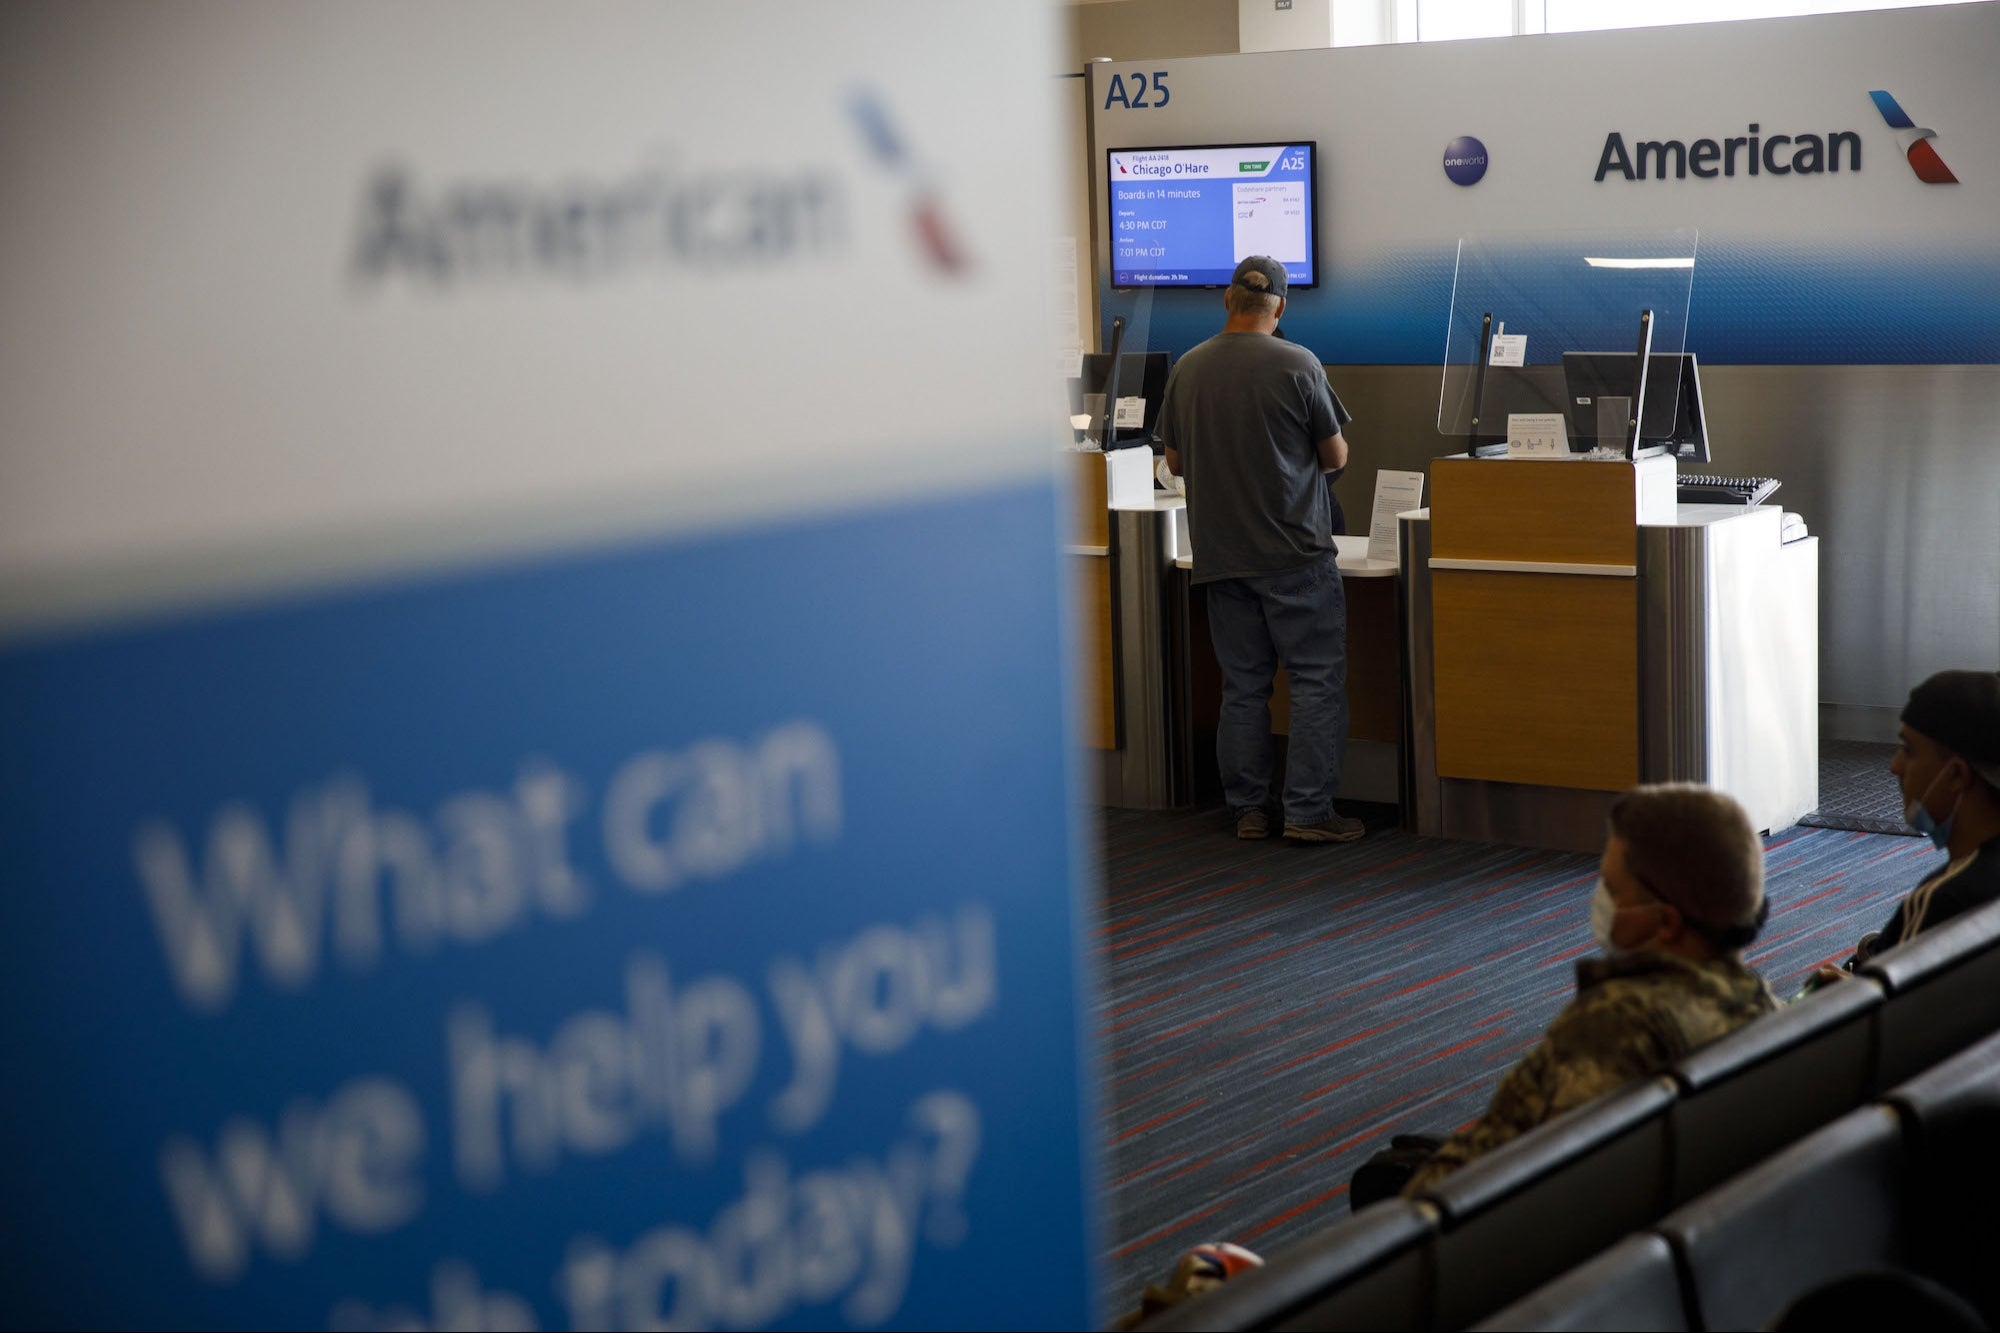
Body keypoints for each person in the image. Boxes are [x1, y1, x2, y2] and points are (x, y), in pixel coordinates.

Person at [1349, 784, 1777, 1203]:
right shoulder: (1757, 1005)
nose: (1601, 901)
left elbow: (1550, 1191)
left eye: (1611, 889)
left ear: (1665, 922)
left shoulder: (1617, 1027)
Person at [1157, 256, 1360, 844]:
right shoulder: (1299, 364)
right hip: (1295, 553)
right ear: (1281, 307)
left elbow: (1173, 463)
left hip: (1221, 555)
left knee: (1243, 686)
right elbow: (1337, 457)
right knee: (1314, 681)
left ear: (1227, 300)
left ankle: (1248, 810)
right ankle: (1308, 812)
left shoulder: (1188, 368)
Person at [1808, 669, 2000, 991]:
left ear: (1956, 774)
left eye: (1908, 750)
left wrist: (1850, 993)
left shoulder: (1946, 899)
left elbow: (1895, 1024)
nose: (1894, 766)